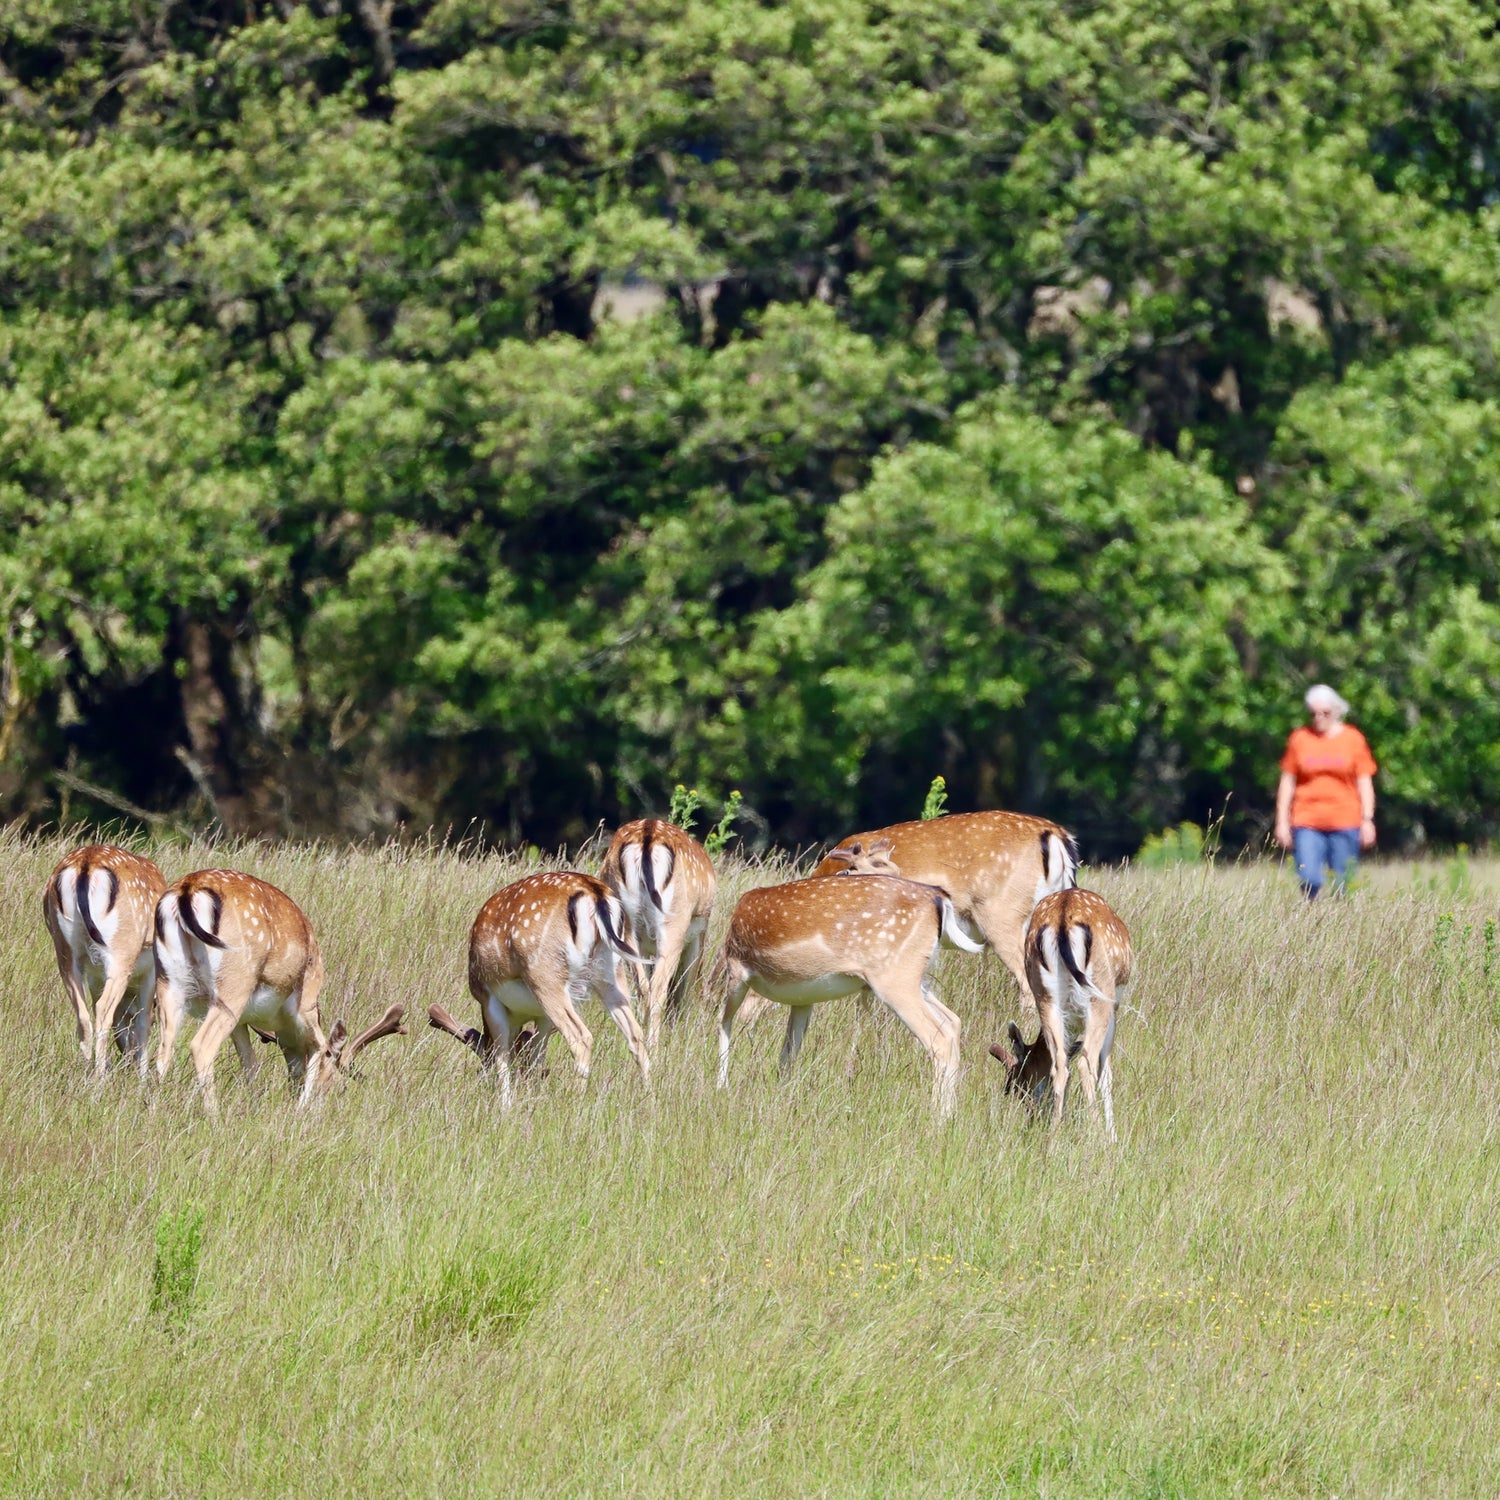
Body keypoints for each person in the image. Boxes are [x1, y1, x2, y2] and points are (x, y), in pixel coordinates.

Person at [1274, 684, 1377, 898]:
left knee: (1343, 882)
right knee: (1309, 877)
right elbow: (1287, 781)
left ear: (1337, 711)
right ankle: (1309, 913)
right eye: (1313, 713)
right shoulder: (1300, 738)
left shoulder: (1353, 739)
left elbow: (1364, 782)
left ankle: (1342, 916)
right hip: (1306, 820)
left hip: (1346, 821)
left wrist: (1367, 820)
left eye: (1325, 713)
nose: (1319, 718)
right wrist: (1282, 821)